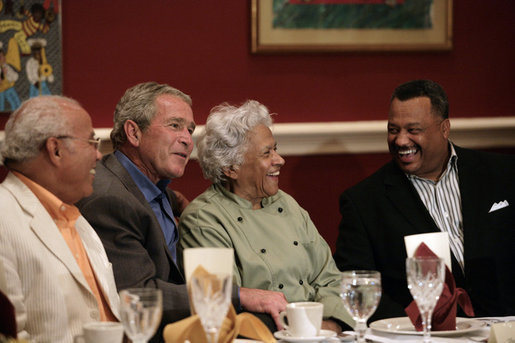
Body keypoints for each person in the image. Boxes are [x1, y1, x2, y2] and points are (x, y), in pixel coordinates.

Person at [76, 82, 288, 340]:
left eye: (190, 129)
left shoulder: (151, 185)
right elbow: (138, 295)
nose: (188, 139)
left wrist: (176, 203)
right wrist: (238, 295)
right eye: (174, 125)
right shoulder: (110, 200)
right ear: (133, 133)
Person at [333, 79, 515, 321]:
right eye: (393, 130)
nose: (400, 141)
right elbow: (357, 284)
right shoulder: (364, 202)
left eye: (413, 130)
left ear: (444, 128)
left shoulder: (504, 174)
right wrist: (417, 328)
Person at [178, 100, 354, 334]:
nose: (279, 159)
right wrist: (300, 329)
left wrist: (330, 325)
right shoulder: (204, 219)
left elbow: (329, 278)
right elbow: (224, 305)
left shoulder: (287, 204)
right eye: (266, 153)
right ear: (231, 167)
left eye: (276, 149)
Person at [0, 96, 120, 342]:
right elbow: (10, 337)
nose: (98, 155)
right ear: (56, 149)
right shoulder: (4, 217)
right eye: (91, 142)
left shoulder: (75, 217)